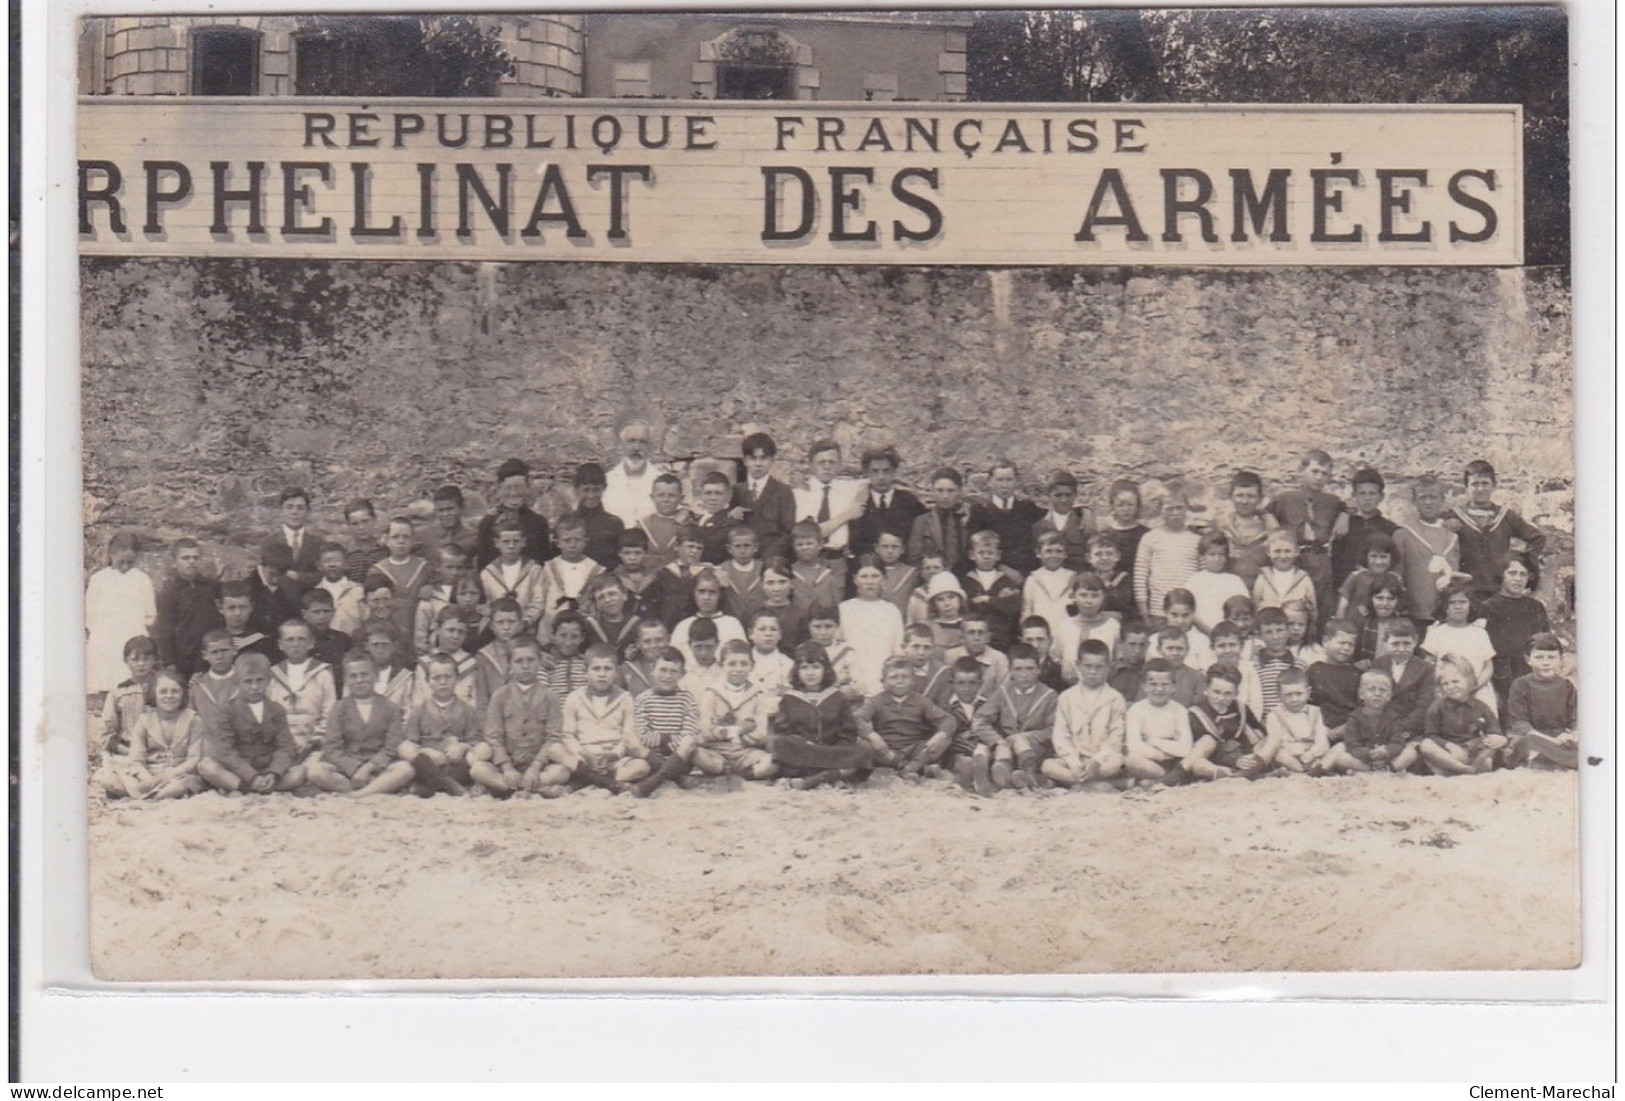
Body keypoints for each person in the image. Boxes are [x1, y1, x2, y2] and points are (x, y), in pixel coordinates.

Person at [366, 652, 475, 798]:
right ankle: (444, 784)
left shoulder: (467, 710)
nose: (443, 682)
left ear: (457, 679)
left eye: (448, 677)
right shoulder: (419, 710)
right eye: (436, 678)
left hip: (455, 763)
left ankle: (431, 786)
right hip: (428, 764)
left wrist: (461, 747)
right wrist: (427, 751)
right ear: (428, 681)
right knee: (404, 747)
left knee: (481, 751)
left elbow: (475, 740)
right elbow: (412, 742)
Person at [469, 636, 568, 797]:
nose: (525, 666)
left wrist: (536, 766)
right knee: (477, 769)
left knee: (563, 771)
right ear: (510, 664)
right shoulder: (500, 696)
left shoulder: (550, 697)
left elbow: (553, 737)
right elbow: (493, 736)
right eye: (519, 661)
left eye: (530, 660)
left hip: (538, 763)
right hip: (508, 762)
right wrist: (507, 767)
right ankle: (532, 789)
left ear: (539, 662)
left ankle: (510, 789)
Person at [768, 641, 873, 790]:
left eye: (816, 667)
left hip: (831, 750)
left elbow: (848, 732)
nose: (810, 673)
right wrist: (804, 743)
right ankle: (830, 776)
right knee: (780, 744)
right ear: (796, 670)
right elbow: (783, 730)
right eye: (804, 667)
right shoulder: (789, 698)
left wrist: (834, 746)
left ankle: (811, 781)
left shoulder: (838, 697)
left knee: (863, 750)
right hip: (804, 751)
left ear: (826, 669)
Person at [196, 652, 305, 794]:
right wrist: (252, 777)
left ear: (269, 680)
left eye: (260, 680)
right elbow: (225, 751)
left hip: (267, 768)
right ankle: (248, 787)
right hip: (240, 771)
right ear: (237, 682)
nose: (255, 687)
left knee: (300, 773)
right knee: (207, 767)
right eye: (248, 681)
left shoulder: (276, 710)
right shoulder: (226, 710)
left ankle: (262, 786)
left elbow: (286, 747)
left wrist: (274, 772)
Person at [303, 651, 407, 794]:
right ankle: (375, 788)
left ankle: (359, 793)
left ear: (376, 675)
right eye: (353, 676)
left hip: (377, 766)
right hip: (346, 767)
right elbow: (332, 747)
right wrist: (355, 768)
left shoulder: (391, 708)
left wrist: (368, 768)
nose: (359, 680)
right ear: (346, 679)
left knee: (405, 769)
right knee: (316, 771)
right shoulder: (339, 708)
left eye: (365, 674)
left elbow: (391, 746)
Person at [94, 669, 205, 800]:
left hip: (178, 775)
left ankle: (148, 797)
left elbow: (194, 759)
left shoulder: (193, 719)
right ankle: (155, 796)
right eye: (163, 692)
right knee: (107, 778)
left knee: (183, 785)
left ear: (183, 694)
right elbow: (136, 760)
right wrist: (148, 779)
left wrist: (163, 778)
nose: (169, 696)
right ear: (154, 695)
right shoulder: (144, 720)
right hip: (149, 774)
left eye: (175, 691)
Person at [553, 644, 648, 792]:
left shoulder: (625, 698)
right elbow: (567, 735)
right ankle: (605, 782)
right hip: (583, 758)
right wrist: (583, 753)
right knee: (558, 757)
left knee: (641, 767)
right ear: (586, 673)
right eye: (596, 669)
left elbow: (628, 735)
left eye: (607, 669)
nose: (602, 674)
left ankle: (589, 781)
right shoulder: (574, 698)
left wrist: (614, 754)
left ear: (616, 672)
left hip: (612, 758)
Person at [1266, 449, 1345, 625]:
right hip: (1296, 559)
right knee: (1294, 604)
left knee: (1322, 604)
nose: (1319, 477)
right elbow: (1266, 512)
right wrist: (1276, 533)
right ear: (1301, 472)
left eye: (1325, 474)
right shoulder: (1286, 498)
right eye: (1315, 471)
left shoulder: (1332, 501)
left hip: (1321, 560)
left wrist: (1344, 516)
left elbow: (1346, 508)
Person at [967, 643, 1058, 794]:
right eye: (1018, 669)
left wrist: (1027, 736)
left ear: (1038, 670)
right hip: (1006, 748)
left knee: (1021, 744)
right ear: (1010, 671)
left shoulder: (1049, 696)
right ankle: (988, 778)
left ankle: (1028, 776)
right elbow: (980, 720)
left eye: (1029, 669)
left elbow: (1054, 730)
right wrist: (997, 741)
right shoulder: (1003, 693)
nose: (1024, 674)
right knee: (985, 749)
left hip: (1034, 751)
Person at [1451, 459, 1547, 600]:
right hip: (1468, 590)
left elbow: (1537, 537)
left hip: (1499, 589)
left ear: (1493, 486)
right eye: (1475, 484)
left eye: (1485, 484)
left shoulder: (1505, 516)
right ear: (1466, 487)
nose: (1480, 489)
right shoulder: (1455, 516)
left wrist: (1519, 560)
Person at [1043, 639, 1128, 789]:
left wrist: (1096, 761)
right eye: (1088, 666)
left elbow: (1116, 738)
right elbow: (1061, 735)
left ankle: (1073, 783)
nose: (1093, 672)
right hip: (1075, 759)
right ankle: (1094, 784)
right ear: (1078, 665)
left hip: (1102, 760)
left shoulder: (1115, 698)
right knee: (1048, 765)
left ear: (1108, 667)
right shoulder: (1067, 697)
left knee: (1116, 763)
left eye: (1099, 667)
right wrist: (1074, 762)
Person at [854, 656, 955, 777]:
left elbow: (948, 719)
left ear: (913, 680)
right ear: (883, 681)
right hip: (885, 750)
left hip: (914, 749)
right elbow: (856, 719)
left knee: (945, 739)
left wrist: (940, 735)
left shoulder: (921, 701)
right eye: (893, 677)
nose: (899, 681)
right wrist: (872, 735)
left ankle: (910, 768)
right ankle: (912, 769)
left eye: (905, 677)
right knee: (860, 742)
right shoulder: (876, 701)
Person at [691, 639, 777, 781]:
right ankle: (722, 769)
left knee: (772, 762)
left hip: (745, 751)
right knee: (695, 753)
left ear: (752, 666)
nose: (738, 669)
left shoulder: (757, 694)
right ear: (721, 665)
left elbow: (761, 733)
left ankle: (743, 774)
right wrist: (736, 731)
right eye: (732, 664)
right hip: (716, 750)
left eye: (744, 664)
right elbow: (706, 730)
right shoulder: (712, 693)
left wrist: (740, 740)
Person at [85, 531, 156, 695]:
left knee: (131, 687)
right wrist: (102, 633)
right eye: (121, 561)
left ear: (137, 558)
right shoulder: (99, 579)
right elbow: (90, 613)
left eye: (130, 562)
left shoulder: (142, 580)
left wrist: (136, 630)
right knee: (105, 685)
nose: (125, 566)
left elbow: (150, 614)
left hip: (132, 638)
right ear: (111, 554)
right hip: (105, 641)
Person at [629, 648, 704, 797]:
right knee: (632, 742)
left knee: (690, 741)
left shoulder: (687, 699)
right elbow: (643, 736)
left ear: (681, 674)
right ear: (653, 670)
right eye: (663, 670)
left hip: (680, 758)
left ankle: (654, 781)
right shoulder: (643, 700)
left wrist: (664, 741)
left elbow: (688, 733)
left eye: (673, 672)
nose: (667, 676)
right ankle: (678, 777)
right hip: (651, 757)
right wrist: (669, 738)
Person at [1480, 554, 1552, 709]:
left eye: (1523, 574)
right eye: (1512, 573)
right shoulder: (1488, 607)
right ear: (1502, 575)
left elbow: (1546, 643)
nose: (1518, 579)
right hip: (1500, 675)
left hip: (1530, 673)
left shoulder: (1535, 607)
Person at [1416, 653, 1506, 775]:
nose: (1451, 687)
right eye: (1445, 684)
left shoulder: (1481, 706)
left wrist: (1498, 738)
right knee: (1426, 745)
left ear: (1469, 681)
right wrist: (1450, 746)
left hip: (1472, 749)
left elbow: (1494, 729)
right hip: (1449, 751)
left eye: (1455, 681)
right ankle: (1466, 770)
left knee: (1493, 742)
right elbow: (1431, 735)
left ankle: (1470, 767)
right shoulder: (1437, 707)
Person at [1393, 474, 1464, 626]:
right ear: (1414, 501)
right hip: (1415, 614)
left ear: (1442, 500)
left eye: (1433, 497)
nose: (1428, 502)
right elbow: (1397, 576)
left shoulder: (1452, 536)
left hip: (1446, 615)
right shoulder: (1404, 534)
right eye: (1423, 497)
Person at [1423, 580, 1499, 715]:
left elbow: (1488, 667)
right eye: (1452, 603)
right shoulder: (1436, 632)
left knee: (1486, 713)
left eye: (1463, 602)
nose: (1458, 606)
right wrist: (1444, 688)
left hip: (1477, 688)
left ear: (1470, 605)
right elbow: (1429, 666)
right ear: (1445, 607)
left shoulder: (1479, 633)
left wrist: (1474, 687)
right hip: (1446, 689)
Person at [152, 537, 222, 681]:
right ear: (175, 562)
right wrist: (170, 663)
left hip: (209, 657)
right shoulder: (169, 593)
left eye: (195, 557)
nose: (191, 561)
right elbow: (164, 630)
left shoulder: (211, 586)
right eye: (186, 558)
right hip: (182, 660)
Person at [266, 618, 337, 758]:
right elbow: (268, 715)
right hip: (281, 746)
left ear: (311, 643)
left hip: (315, 746)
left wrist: (313, 743)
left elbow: (329, 714)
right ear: (280, 645)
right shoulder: (272, 675)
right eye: (290, 640)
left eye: (301, 639)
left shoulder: (322, 673)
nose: (296, 644)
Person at [1506, 633, 1578, 769]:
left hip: (1560, 737)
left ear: (1560, 659)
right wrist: (1552, 741)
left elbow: (1575, 717)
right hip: (1535, 737)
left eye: (1551, 657)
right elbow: (1520, 723)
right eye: (1539, 657)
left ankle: (1547, 760)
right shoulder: (1520, 684)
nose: (1545, 662)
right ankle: (1556, 760)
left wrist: (1573, 734)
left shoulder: (1567, 686)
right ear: (1528, 660)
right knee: (1529, 743)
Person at [839, 555, 906, 697]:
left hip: (884, 685)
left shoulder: (891, 610)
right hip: (853, 684)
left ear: (883, 579)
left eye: (875, 576)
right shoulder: (844, 609)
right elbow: (838, 648)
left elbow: (897, 650)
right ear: (855, 579)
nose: (870, 582)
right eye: (864, 576)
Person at [1184, 664, 1265, 781]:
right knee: (1198, 764)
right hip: (1217, 762)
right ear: (1206, 689)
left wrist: (1254, 751)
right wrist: (1235, 762)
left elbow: (1260, 731)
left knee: (1269, 741)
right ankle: (1239, 776)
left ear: (1236, 693)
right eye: (1216, 692)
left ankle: (1249, 773)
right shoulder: (1196, 713)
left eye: (1228, 694)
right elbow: (1204, 751)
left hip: (1245, 758)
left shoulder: (1241, 708)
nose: (1221, 698)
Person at [1320, 669, 1409, 774]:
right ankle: (1373, 770)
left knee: (1410, 752)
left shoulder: (1394, 717)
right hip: (1364, 760)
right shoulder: (1354, 718)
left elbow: (1398, 742)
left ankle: (1387, 768)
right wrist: (1369, 754)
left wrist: (1386, 751)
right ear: (1361, 694)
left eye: (1382, 690)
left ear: (1389, 696)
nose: (1377, 694)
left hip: (1387, 758)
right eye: (1372, 689)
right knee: (1341, 758)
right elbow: (1352, 745)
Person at [729, 431, 799, 562]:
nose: (758, 464)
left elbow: (788, 533)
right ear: (745, 461)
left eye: (763, 458)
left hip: (772, 561)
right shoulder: (735, 491)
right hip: (741, 562)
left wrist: (768, 558)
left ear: (772, 461)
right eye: (753, 458)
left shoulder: (783, 492)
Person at [795, 439, 868, 563]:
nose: (827, 467)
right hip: (810, 559)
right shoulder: (801, 494)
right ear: (811, 465)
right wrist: (848, 514)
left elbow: (870, 481)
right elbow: (813, 533)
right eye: (821, 462)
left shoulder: (848, 489)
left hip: (839, 558)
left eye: (832, 462)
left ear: (840, 465)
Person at [1133, 492, 1201, 622]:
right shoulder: (1150, 538)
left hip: (1187, 612)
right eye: (1169, 508)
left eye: (1179, 508)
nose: (1175, 513)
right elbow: (1140, 576)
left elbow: (1203, 580)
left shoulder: (1196, 540)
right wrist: (1144, 612)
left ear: (1186, 508)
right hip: (1158, 612)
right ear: (1160, 510)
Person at [967, 460, 1043, 574]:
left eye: (1009, 480)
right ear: (989, 482)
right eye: (999, 480)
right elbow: (975, 546)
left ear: (1016, 482)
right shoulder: (979, 512)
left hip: (1027, 572)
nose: (1004, 485)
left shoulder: (1028, 508)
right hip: (993, 572)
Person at [850, 445, 926, 560]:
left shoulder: (909, 502)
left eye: (886, 471)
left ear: (894, 471)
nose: (881, 477)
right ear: (867, 473)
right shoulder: (856, 502)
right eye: (875, 471)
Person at [1123, 659, 1193, 783]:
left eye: (1165, 684)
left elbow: (1185, 748)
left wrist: (1154, 741)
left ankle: (1163, 780)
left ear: (1173, 687)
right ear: (1144, 686)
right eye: (1153, 684)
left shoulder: (1179, 710)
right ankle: (1167, 779)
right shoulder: (1136, 710)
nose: (1159, 689)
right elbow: (1134, 745)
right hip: (1149, 761)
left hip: (1174, 762)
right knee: (1131, 760)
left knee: (1192, 761)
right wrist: (1160, 755)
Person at [475, 458, 552, 569]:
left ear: (527, 487)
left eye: (518, 487)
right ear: (499, 488)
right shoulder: (488, 523)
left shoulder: (538, 522)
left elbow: (544, 562)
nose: (514, 493)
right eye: (508, 488)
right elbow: (482, 565)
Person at [1369, 617, 1436, 741]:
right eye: (1395, 644)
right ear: (1385, 643)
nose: (1401, 649)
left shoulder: (1426, 669)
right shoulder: (1377, 665)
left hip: (1410, 730)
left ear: (1415, 641)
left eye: (1406, 643)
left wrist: (1401, 730)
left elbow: (1423, 707)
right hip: (1380, 727)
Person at [540, 515, 606, 639]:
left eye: (577, 540)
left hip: (585, 627)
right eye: (567, 540)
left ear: (586, 540)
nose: (573, 545)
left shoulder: (596, 570)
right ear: (557, 542)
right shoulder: (549, 568)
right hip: (554, 625)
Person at [1331, 467, 1398, 589]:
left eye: (1372, 493)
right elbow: (1335, 559)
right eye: (1362, 493)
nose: (1367, 498)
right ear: (1354, 495)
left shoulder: (1390, 529)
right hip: (1344, 589)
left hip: (1376, 592)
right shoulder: (1343, 525)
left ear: (1381, 497)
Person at [958, 529, 1024, 651]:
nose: (986, 556)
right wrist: (998, 601)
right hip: (975, 636)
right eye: (981, 552)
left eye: (990, 552)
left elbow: (1012, 607)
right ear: (972, 555)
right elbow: (966, 607)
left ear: (998, 555)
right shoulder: (966, 581)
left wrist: (987, 599)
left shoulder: (1006, 580)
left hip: (1001, 636)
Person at [1255, 667, 1330, 774]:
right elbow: (1276, 741)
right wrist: (1296, 753)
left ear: (1308, 692)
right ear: (1279, 695)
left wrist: (1310, 754)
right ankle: (1303, 772)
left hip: (1311, 754)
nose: (1294, 699)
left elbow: (1321, 739)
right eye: (1288, 695)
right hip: (1289, 755)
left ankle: (1309, 770)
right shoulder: (1274, 715)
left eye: (1299, 694)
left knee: (1328, 750)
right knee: (1280, 755)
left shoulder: (1314, 712)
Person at [671, 569, 746, 668]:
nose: (706, 597)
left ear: (720, 595)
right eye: (701, 592)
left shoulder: (732, 624)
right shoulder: (683, 626)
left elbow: (742, 658)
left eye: (712, 592)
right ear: (694, 593)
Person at [98, 635, 158, 756]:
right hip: (128, 751)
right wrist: (128, 751)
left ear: (155, 659)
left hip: (160, 752)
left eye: (146, 659)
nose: (141, 664)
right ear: (126, 660)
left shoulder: (165, 688)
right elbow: (106, 733)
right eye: (135, 659)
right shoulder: (119, 692)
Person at [1217, 471, 1277, 592]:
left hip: (1262, 587)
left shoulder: (1268, 525)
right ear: (1231, 496)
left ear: (1260, 499)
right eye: (1240, 495)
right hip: (1229, 587)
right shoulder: (1223, 524)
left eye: (1251, 496)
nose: (1245, 501)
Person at [602, 417, 665, 528]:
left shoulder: (662, 482)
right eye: (631, 441)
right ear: (621, 444)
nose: (637, 448)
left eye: (643, 442)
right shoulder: (607, 482)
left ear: (650, 446)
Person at [908, 466, 973, 572]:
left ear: (960, 491)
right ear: (932, 491)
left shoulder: (968, 517)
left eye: (951, 491)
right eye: (939, 490)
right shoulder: (921, 522)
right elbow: (914, 557)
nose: (945, 496)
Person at [562, 461, 625, 569]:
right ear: (576, 489)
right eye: (586, 490)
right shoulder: (565, 521)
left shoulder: (614, 523)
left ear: (604, 488)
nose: (591, 496)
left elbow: (621, 560)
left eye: (596, 490)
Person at [1185, 532, 1249, 634]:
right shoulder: (1195, 580)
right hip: (1200, 634)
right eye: (1212, 554)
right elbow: (1190, 612)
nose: (1217, 559)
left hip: (1229, 635)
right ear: (1203, 556)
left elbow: (1242, 611)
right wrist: (1210, 632)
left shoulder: (1234, 581)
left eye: (1221, 555)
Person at [1032, 470, 1094, 572]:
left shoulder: (1084, 522)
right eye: (1058, 495)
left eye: (1068, 495)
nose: (1063, 500)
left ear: (1075, 495)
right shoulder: (1039, 527)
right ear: (1049, 496)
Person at [1306, 619, 1362, 730]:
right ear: (1325, 641)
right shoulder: (1314, 671)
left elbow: (1362, 709)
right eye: (1342, 643)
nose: (1346, 648)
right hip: (1318, 727)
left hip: (1348, 729)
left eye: (1351, 644)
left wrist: (1345, 728)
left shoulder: (1357, 674)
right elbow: (1307, 704)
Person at [473, 598, 526, 715]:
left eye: (511, 622)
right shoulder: (484, 656)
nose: (506, 627)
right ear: (491, 625)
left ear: (520, 625)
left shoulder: (528, 653)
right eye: (500, 622)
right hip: (494, 718)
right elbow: (482, 699)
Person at [1335, 533, 1403, 621]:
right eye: (1373, 556)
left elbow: (1398, 608)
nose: (1378, 562)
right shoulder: (1356, 577)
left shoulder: (1395, 579)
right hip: (1354, 627)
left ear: (1392, 557)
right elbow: (1342, 607)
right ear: (1365, 556)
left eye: (1384, 557)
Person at [1022, 531, 1077, 638]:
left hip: (1067, 632)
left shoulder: (1072, 578)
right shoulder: (1032, 579)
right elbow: (1027, 610)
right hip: (1039, 633)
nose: (1054, 555)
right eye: (1049, 551)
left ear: (1065, 554)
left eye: (1058, 551)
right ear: (1038, 553)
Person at [1252, 530, 1316, 620]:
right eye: (1277, 551)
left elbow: (1312, 610)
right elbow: (1256, 607)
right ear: (1268, 552)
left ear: (1297, 551)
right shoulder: (1262, 578)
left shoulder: (1304, 578)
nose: (1282, 556)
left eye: (1287, 551)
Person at [1145, 588, 1215, 671]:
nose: (1180, 621)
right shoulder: (1154, 639)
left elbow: (1206, 669)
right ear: (1165, 612)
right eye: (1174, 615)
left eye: (1185, 615)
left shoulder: (1202, 641)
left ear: (1193, 613)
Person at [246, 540, 304, 638]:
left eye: (281, 574)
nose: (276, 580)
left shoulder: (289, 586)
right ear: (263, 565)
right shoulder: (247, 588)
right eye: (272, 574)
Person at [187, 629, 241, 734]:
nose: (220, 657)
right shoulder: (198, 685)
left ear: (234, 650)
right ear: (205, 655)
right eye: (214, 652)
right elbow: (190, 720)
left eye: (224, 650)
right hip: (208, 742)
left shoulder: (245, 680)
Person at [273, 487, 324, 592]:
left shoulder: (318, 543)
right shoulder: (270, 542)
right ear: (281, 510)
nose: (294, 512)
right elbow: (267, 576)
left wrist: (298, 576)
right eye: (289, 507)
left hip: (309, 601)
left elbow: (323, 575)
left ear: (308, 511)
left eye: (300, 508)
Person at [216, 580, 279, 662]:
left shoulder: (263, 643)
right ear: (220, 608)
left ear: (251, 607)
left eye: (242, 607)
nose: (237, 613)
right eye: (231, 608)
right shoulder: (213, 642)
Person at [581, 575, 640, 662]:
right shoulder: (589, 626)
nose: (608, 600)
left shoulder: (637, 625)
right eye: (601, 597)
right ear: (596, 604)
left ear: (624, 595)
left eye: (612, 594)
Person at [789, 520, 844, 611]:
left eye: (809, 543)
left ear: (820, 545)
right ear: (793, 547)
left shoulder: (828, 572)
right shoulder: (791, 572)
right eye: (800, 544)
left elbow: (836, 604)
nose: (805, 548)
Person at [1101, 479, 1150, 581]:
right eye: (1120, 505)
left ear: (1137, 505)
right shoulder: (1105, 534)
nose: (1125, 509)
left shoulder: (1146, 534)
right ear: (1112, 506)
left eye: (1130, 505)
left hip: (1139, 584)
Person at [639, 473, 690, 570]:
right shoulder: (642, 524)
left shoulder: (688, 525)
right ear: (652, 497)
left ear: (681, 498)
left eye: (671, 496)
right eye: (660, 495)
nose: (666, 500)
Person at [315, 542, 366, 636]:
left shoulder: (358, 591)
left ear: (347, 564)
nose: (332, 565)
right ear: (319, 565)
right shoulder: (315, 593)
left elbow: (366, 619)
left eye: (337, 560)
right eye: (327, 561)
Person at [716, 526, 765, 622]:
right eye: (737, 546)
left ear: (755, 548)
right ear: (729, 549)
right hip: (730, 623)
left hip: (759, 622)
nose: (742, 551)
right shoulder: (721, 570)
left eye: (747, 546)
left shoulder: (763, 568)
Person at [690, 471, 738, 566]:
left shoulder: (730, 523)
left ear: (728, 496)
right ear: (701, 495)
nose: (713, 498)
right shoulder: (696, 519)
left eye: (718, 493)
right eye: (708, 493)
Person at [1086, 533, 1136, 621]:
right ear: (1088, 558)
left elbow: (1133, 610)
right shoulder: (1085, 580)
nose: (1104, 558)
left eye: (1109, 553)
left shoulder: (1127, 580)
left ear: (1117, 556)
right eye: (1098, 554)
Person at [744, 610, 794, 698]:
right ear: (750, 634)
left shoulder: (788, 664)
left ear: (780, 635)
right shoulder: (741, 661)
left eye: (773, 629)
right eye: (762, 629)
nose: (768, 633)